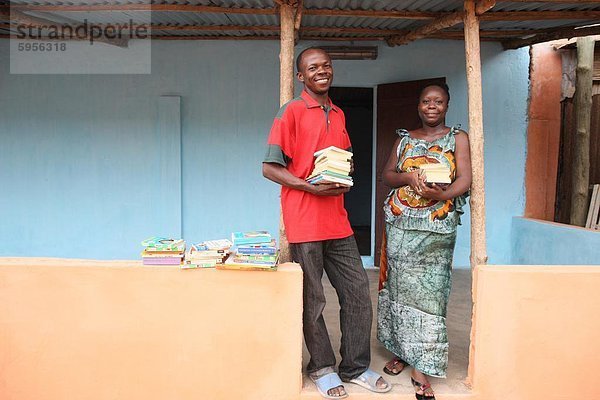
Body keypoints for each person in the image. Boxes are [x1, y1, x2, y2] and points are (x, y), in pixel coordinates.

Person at [262, 47, 390, 399]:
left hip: (339, 222)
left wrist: (344, 174)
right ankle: (321, 367)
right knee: (313, 300)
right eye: (312, 67)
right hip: (304, 222)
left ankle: (355, 366)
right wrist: (308, 186)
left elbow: (343, 160)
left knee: (358, 296)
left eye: (327, 65)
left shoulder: (339, 113)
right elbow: (270, 167)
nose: (322, 71)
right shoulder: (291, 111)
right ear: (301, 76)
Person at [377, 83, 471, 400]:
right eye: (426, 101)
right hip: (401, 225)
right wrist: (408, 177)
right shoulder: (405, 138)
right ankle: (403, 351)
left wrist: (441, 193)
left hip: (437, 229)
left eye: (439, 101)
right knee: (401, 292)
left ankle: (421, 367)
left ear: (447, 104)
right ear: (419, 105)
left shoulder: (458, 138)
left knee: (430, 297)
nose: (432, 106)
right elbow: (387, 174)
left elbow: (466, 179)